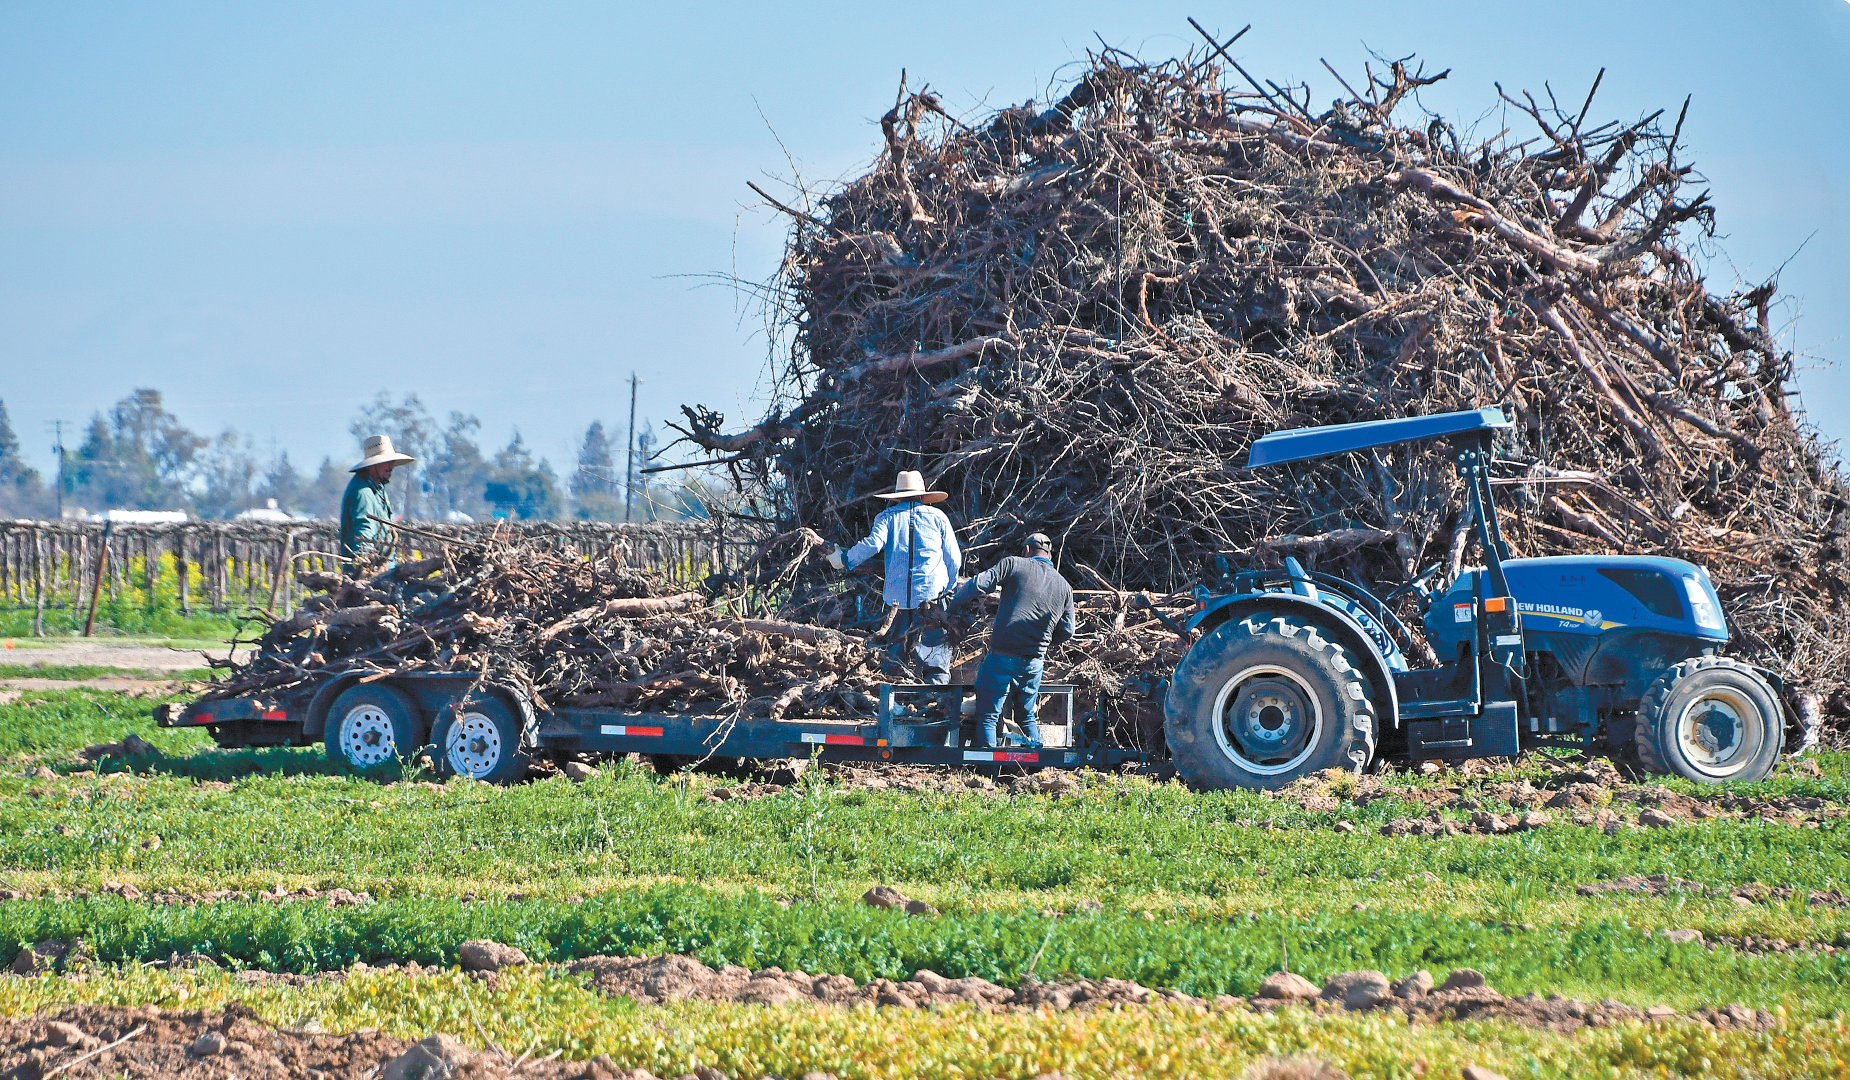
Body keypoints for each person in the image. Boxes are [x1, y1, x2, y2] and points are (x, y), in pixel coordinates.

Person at [828, 470, 962, 684]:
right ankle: (934, 707)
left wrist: (845, 559)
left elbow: (873, 544)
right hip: (932, 598)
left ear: (898, 496)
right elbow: (954, 559)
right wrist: (949, 589)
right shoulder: (938, 518)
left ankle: (893, 708)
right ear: (922, 495)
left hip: (896, 603)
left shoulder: (887, 517)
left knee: (894, 660)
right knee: (935, 660)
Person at [950, 532, 1076, 748]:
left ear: (1027, 551)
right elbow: (1068, 630)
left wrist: (953, 606)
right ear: (1049, 556)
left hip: (1003, 657)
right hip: (1034, 663)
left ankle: (988, 773)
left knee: (988, 715)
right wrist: (1042, 641)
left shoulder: (1014, 564)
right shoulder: (1065, 587)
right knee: (1026, 717)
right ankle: (1036, 768)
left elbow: (979, 583)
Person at [339, 434, 415, 573]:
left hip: (385, 570)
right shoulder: (362, 492)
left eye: (391, 461)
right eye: (386, 461)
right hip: (370, 575)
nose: (391, 466)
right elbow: (364, 530)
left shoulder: (378, 489)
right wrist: (364, 560)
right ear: (372, 464)